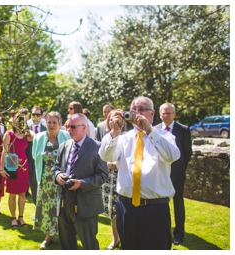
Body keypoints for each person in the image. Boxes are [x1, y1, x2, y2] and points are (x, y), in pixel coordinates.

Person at [99, 96, 180, 250]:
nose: (136, 113)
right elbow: (105, 155)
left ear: (152, 113)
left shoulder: (165, 136)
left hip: (155, 209)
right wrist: (114, 132)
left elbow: (172, 156)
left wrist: (149, 130)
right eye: (133, 109)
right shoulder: (123, 138)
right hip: (126, 206)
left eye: (141, 109)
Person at [52, 113, 108, 250]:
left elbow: (102, 175)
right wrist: (58, 175)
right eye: (67, 126)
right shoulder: (64, 145)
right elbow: (56, 167)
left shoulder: (97, 147)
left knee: (89, 244)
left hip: (86, 203)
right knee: (66, 244)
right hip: (65, 202)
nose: (69, 130)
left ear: (84, 127)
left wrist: (82, 183)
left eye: (73, 127)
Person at [32, 111, 71, 249]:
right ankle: (48, 237)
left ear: (60, 124)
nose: (52, 125)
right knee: (48, 210)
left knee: (63, 209)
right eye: (49, 122)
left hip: (62, 180)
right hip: (45, 182)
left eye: (55, 122)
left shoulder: (66, 136)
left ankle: (64, 236)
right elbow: (34, 156)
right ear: (45, 123)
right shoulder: (39, 138)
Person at [155, 103, 192, 245]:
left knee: (178, 204)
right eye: (163, 113)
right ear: (159, 115)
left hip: (176, 174)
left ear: (174, 114)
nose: (166, 115)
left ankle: (178, 233)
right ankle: (161, 231)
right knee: (159, 204)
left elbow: (187, 153)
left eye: (169, 113)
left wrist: (180, 168)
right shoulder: (155, 130)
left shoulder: (183, 130)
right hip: (159, 173)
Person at [0, 109, 33, 229]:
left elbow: (33, 137)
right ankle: (13, 218)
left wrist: (27, 129)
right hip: (12, 166)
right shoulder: (9, 135)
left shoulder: (25, 135)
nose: (19, 122)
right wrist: (1, 169)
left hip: (23, 166)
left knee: (23, 193)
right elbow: (4, 152)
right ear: (13, 121)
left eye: (22, 120)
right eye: (17, 120)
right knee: (13, 194)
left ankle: (21, 217)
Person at [101, 114, 125, 250]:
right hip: (109, 177)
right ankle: (115, 239)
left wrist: (116, 163)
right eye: (110, 119)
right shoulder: (106, 137)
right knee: (112, 211)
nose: (112, 122)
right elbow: (100, 158)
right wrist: (107, 164)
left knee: (122, 209)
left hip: (122, 176)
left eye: (116, 119)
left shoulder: (127, 136)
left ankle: (125, 237)